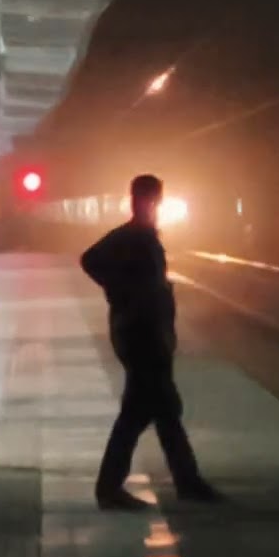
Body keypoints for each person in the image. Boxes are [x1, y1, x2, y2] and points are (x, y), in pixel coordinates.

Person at [81, 174, 220, 510]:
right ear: (148, 200)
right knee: (139, 412)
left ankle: (187, 479)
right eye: (152, 199)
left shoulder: (139, 236)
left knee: (165, 409)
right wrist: (121, 293)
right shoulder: (135, 236)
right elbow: (90, 260)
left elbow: (93, 261)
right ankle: (110, 488)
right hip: (141, 335)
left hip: (145, 332)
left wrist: (122, 293)